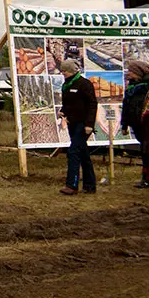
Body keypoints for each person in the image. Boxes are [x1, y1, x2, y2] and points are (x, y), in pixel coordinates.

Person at [58, 58, 97, 195]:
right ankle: (90, 185)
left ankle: (72, 185)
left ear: (72, 71)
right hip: (72, 123)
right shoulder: (66, 85)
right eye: (62, 70)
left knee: (73, 152)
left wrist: (89, 124)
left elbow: (92, 104)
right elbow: (68, 103)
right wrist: (63, 111)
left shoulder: (84, 84)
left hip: (83, 124)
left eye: (65, 71)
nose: (63, 73)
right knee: (83, 153)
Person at [121, 60, 149, 188]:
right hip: (137, 124)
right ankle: (146, 178)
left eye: (131, 71)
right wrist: (124, 124)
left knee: (148, 151)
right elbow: (126, 106)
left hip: (148, 125)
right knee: (145, 151)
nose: (128, 74)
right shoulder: (131, 87)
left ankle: (147, 178)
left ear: (138, 73)